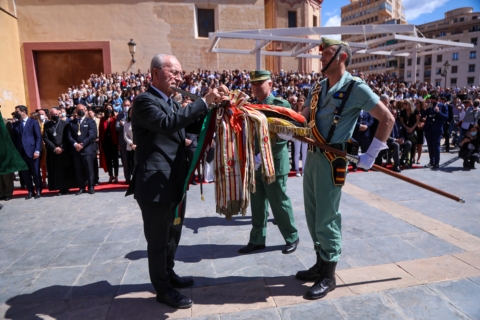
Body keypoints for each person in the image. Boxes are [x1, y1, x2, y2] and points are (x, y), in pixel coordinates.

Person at [297, 38, 394, 300]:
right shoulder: (317, 87)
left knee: (327, 216)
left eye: (326, 53)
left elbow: (387, 118)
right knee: (312, 212)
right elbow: (304, 117)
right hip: (314, 154)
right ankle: (320, 263)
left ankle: (329, 274)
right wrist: (288, 128)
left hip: (333, 158)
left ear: (341, 57)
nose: (320, 57)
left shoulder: (355, 88)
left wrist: (372, 153)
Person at [125, 53, 220, 309]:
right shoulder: (145, 101)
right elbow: (168, 125)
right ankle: (162, 288)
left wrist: (216, 106)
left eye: (180, 73)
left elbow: (192, 125)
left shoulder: (174, 102)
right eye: (173, 72)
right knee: (157, 240)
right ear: (155, 73)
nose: (179, 77)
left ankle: (169, 273)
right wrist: (202, 101)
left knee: (172, 234)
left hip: (175, 181)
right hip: (155, 185)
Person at [238, 70, 299, 255]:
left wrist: (262, 155)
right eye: (253, 84)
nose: (255, 87)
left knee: (279, 201)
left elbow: (284, 136)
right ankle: (257, 239)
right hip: (255, 163)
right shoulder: (250, 106)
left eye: (260, 83)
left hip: (273, 162)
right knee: (257, 203)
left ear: (270, 84)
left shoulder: (280, 105)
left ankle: (291, 236)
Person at [11, 105, 43, 199]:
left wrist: (37, 150)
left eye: (17, 111)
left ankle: (38, 190)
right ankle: (30, 191)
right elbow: (15, 139)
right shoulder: (15, 124)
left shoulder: (33, 122)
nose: (16, 113)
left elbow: (38, 137)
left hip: (32, 152)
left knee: (36, 173)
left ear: (23, 111)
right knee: (25, 173)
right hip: (21, 153)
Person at [43, 107, 77, 195]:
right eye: (53, 114)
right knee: (56, 170)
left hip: (64, 151)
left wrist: (61, 147)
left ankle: (67, 188)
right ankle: (60, 188)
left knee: (65, 169)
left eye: (56, 114)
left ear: (59, 114)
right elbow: (46, 138)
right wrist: (54, 148)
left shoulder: (65, 123)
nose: (55, 115)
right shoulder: (47, 125)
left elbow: (67, 137)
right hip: (53, 151)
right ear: (50, 115)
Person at [67, 104, 97, 195]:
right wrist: (75, 144)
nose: (80, 111)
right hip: (76, 150)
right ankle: (81, 187)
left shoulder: (90, 121)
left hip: (87, 150)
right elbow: (69, 136)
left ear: (85, 110)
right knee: (78, 170)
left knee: (89, 169)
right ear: (76, 111)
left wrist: (83, 144)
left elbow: (92, 135)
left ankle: (91, 186)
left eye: (82, 109)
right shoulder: (71, 123)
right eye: (78, 110)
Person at [423, 95, 448, 169]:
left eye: (433, 100)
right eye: (431, 100)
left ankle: (436, 162)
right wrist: (424, 108)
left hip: (437, 129)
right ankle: (431, 161)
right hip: (428, 129)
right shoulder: (429, 106)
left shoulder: (443, 106)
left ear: (437, 100)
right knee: (430, 146)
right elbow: (423, 115)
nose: (431, 101)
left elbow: (446, 117)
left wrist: (438, 111)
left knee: (436, 146)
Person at [99, 104, 119, 183]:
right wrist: (100, 142)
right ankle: (111, 176)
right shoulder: (102, 119)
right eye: (107, 108)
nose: (108, 109)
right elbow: (100, 131)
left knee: (115, 159)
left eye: (110, 108)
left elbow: (117, 131)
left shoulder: (115, 119)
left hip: (114, 142)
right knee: (108, 160)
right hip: (106, 142)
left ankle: (116, 176)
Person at [399, 99, 419, 168]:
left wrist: (412, 128)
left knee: (413, 146)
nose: (404, 105)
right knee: (407, 145)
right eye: (403, 103)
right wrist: (407, 128)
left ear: (410, 104)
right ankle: (404, 160)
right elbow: (402, 121)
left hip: (413, 130)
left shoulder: (415, 111)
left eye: (406, 103)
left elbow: (417, 121)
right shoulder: (402, 112)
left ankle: (410, 161)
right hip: (405, 130)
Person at [116, 99, 132, 183]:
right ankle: (127, 178)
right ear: (122, 106)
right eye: (125, 105)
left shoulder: (134, 115)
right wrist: (124, 126)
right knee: (125, 161)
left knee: (133, 160)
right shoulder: (119, 116)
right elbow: (117, 127)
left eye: (128, 105)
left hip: (132, 142)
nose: (126, 107)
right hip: (123, 142)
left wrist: (124, 124)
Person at [293, 95, 308, 176]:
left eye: (302, 100)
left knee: (304, 152)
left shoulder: (307, 111)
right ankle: (297, 170)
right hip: (297, 134)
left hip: (305, 133)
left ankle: (304, 170)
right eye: (299, 100)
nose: (300, 102)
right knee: (297, 152)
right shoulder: (294, 111)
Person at [123, 106, 135, 180]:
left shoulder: (140, 122)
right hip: (130, 147)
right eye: (130, 112)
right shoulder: (126, 123)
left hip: (138, 146)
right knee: (130, 164)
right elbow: (125, 136)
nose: (131, 113)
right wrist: (131, 144)